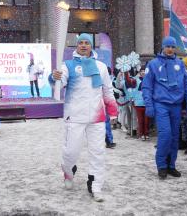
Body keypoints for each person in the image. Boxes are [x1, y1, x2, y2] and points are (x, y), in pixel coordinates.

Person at [49, 33, 118, 202]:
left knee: (97, 153)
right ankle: (68, 170)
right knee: (70, 152)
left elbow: (108, 90)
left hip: (97, 118)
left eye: (87, 43)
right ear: (77, 46)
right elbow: (60, 81)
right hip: (74, 116)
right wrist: (54, 77)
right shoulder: (68, 65)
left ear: (91, 46)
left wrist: (113, 111)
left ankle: (95, 185)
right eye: (81, 43)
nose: (84, 45)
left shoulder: (101, 67)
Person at [142, 36, 187, 180]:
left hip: (176, 106)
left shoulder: (180, 64)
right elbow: (147, 86)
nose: (170, 49)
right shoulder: (153, 64)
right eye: (167, 46)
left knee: (175, 137)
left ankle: (171, 165)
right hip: (161, 104)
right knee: (165, 135)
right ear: (163, 47)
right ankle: (162, 166)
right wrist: (149, 105)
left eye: (172, 47)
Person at [131, 66, 150, 141]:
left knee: (147, 120)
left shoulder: (149, 80)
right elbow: (131, 85)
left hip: (147, 103)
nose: (143, 72)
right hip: (138, 103)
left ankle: (146, 133)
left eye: (144, 70)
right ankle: (141, 134)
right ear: (139, 72)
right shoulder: (136, 80)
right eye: (142, 71)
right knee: (140, 120)